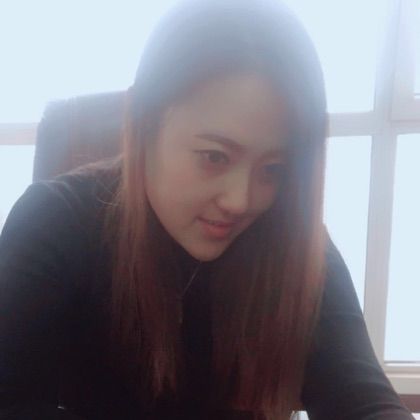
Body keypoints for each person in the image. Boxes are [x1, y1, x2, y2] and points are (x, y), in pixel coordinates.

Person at [0, 1, 414, 419]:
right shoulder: (54, 222)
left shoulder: (288, 239)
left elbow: (362, 398)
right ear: (142, 122)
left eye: (273, 168)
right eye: (215, 157)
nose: (241, 201)